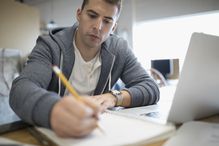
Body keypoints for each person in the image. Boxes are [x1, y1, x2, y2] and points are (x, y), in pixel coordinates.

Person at [9, 0, 160, 138]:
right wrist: (53, 110)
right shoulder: (50, 46)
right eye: (92, 15)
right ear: (79, 15)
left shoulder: (119, 49)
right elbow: (20, 90)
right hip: (54, 134)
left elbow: (151, 87)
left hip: (96, 135)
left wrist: (114, 97)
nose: (98, 27)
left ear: (114, 26)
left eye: (107, 21)